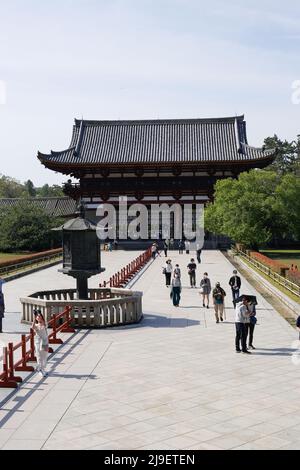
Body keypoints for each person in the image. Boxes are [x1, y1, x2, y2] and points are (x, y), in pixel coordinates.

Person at [32, 310, 49, 377]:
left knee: (44, 356)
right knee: (39, 356)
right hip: (38, 343)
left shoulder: (44, 324)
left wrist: (40, 316)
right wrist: (34, 317)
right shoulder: (36, 325)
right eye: (37, 317)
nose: (38, 317)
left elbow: (44, 324)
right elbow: (32, 327)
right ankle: (40, 370)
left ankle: (43, 369)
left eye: (40, 316)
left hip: (45, 342)